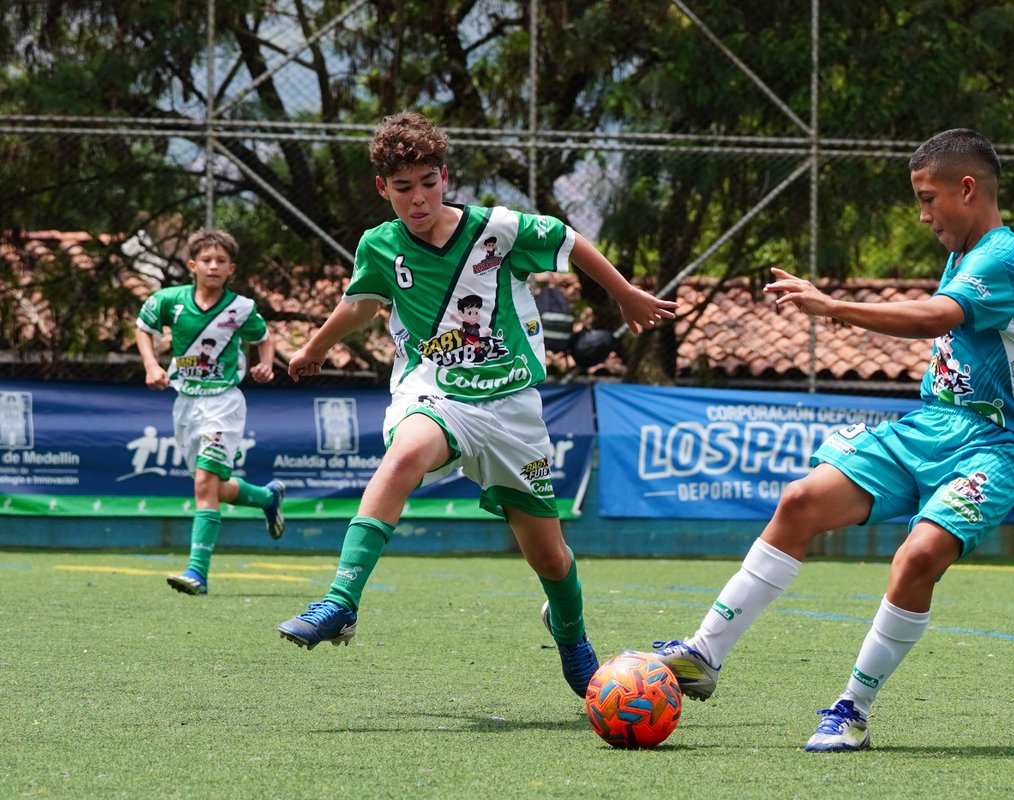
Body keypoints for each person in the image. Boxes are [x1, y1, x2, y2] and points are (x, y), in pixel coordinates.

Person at [650, 128, 1014, 750]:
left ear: (966, 189)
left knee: (917, 557)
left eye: (927, 199)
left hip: (996, 445)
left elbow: (935, 318)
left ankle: (851, 710)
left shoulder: (999, 256)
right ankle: (704, 654)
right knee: (800, 501)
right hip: (930, 427)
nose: (922, 216)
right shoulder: (977, 256)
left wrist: (831, 306)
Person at [276, 111, 678, 698]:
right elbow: (361, 306)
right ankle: (341, 600)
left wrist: (622, 293)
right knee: (404, 455)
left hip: (512, 407)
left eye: (428, 183)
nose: (418, 200)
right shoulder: (380, 246)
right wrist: (313, 346)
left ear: (445, 176)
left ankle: (570, 634)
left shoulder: (501, 230)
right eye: (403, 187)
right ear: (381, 189)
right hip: (434, 391)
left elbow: (569, 240)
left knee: (550, 558)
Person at [135, 228, 287, 596]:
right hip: (185, 403)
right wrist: (151, 366)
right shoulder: (168, 300)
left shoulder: (241, 308)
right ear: (192, 265)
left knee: (203, 483)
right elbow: (143, 328)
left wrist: (266, 364)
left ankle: (197, 573)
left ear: (231, 268)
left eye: (221, 261)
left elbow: (263, 336)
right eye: (206, 260)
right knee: (214, 486)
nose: (213, 266)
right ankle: (267, 498)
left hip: (223, 402)